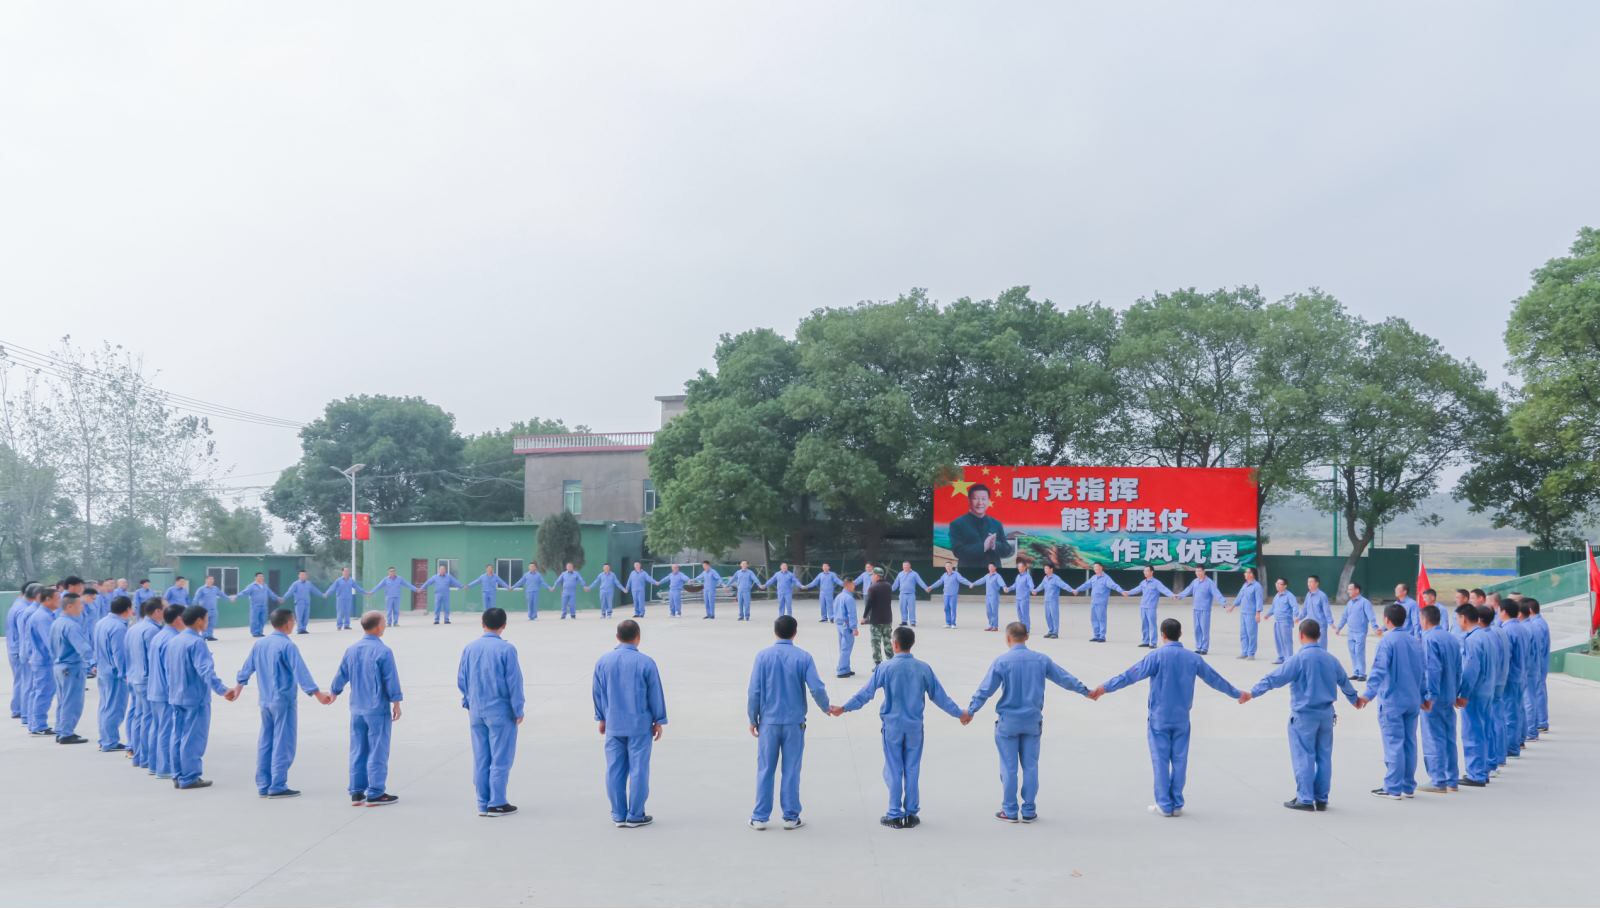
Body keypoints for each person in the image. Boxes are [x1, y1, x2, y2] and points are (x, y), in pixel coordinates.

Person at [1091, 618, 1248, 817]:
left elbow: (1129, 676)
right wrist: (1237, 694)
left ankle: (1164, 804)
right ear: (1180, 634)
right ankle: (1177, 802)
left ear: (1162, 634)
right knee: (1180, 759)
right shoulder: (1193, 658)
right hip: (1182, 717)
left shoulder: (1156, 656)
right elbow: (1215, 679)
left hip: (1159, 718)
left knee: (1161, 760)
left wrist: (1103, 688)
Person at [830, 626, 968, 827]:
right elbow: (940, 697)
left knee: (894, 768)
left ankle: (894, 813)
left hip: (893, 727)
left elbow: (865, 694)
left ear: (894, 644)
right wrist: (960, 714)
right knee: (912, 768)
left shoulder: (885, 668)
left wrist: (844, 708)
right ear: (911, 644)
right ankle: (911, 813)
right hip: (914, 727)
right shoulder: (923, 668)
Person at [967, 622, 1093, 823]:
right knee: (1031, 766)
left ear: (1008, 638)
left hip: (1008, 723)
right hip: (1032, 721)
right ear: (1026, 637)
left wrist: (970, 711)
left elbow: (985, 690)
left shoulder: (1001, 662)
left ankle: (1009, 810)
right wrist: (1086, 691)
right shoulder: (1041, 660)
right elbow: (1064, 678)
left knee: (1009, 768)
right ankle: (1029, 810)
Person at [1247, 619, 1362, 811]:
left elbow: (1274, 678)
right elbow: (1344, 682)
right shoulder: (1330, 659)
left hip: (1304, 716)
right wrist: (1355, 700)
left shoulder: (1298, 659)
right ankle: (1321, 798)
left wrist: (1252, 693)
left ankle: (1305, 799)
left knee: (1304, 756)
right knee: (1324, 757)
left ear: (1300, 635)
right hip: (1326, 715)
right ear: (1319, 635)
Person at [233, 608, 331, 798]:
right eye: (293, 620)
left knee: (266, 741)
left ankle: (263, 784)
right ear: (288, 623)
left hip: (265, 701)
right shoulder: (287, 646)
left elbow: (247, 668)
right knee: (283, 742)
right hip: (283, 700)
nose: (294, 623)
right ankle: (277, 785)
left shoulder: (260, 644)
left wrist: (238, 688)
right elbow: (301, 671)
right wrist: (317, 694)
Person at [746, 614, 831, 830]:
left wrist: (752, 718)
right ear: (795, 633)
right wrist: (825, 707)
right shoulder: (804, 657)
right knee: (791, 769)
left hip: (769, 722)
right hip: (794, 723)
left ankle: (760, 817)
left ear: (775, 632)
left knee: (765, 769)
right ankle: (791, 817)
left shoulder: (762, 657)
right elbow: (817, 688)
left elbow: (754, 691)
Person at [593, 619, 668, 828]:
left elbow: (598, 693)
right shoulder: (646, 662)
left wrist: (601, 717)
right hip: (639, 725)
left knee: (614, 770)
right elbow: (655, 693)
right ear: (638, 637)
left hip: (614, 724)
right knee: (639, 770)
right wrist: (658, 720)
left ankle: (618, 814)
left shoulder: (603, 662)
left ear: (617, 637)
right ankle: (635, 814)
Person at [1356, 603, 1432, 799]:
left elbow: (1379, 670)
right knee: (1409, 742)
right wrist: (1424, 696)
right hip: (1412, 700)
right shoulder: (1415, 641)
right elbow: (1422, 671)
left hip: (1392, 700)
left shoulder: (1387, 641)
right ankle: (1408, 785)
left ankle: (1393, 787)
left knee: (1394, 743)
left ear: (1387, 620)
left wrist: (1367, 695)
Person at [330, 611, 405, 807]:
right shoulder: (383, 651)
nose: (385, 625)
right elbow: (391, 679)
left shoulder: (352, 650)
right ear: (378, 627)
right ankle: (375, 792)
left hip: (357, 709)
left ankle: (356, 792)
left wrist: (334, 692)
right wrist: (396, 702)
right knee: (377, 750)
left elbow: (341, 674)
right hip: (377, 709)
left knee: (358, 749)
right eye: (384, 622)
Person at [457, 608, 524, 817]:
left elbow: (462, 679)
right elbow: (514, 683)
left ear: (482, 623)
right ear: (504, 625)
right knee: (500, 758)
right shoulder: (507, 650)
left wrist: (468, 701)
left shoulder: (470, 648)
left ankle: (482, 802)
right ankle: (497, 802)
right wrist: (518, 709)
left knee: (481, 757)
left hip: (476, 710)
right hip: (500, 711)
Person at [165, 605, 238, 789]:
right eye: (206, 619)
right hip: (194, 697)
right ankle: (189, 777)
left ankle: (178, 774)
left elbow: (169, 670)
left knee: (177, 736)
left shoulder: (174, 641)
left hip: (176, 695)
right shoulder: (197, 643)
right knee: (193, 738)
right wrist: (222, 690)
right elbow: (205, 670)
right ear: (198, 620)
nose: (208, 622)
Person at [1418, 604, 1461, 793]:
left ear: (1424, 619)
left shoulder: (1429, 639)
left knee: (1433, 737)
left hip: (1435, 697)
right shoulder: (1451, 638)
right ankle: (1452, 779)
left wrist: (1430, 696)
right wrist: (1456, 692)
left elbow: (1432, 669)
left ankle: (1438, 779)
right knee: (1449, 737)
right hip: (1449, 694)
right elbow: (1459, 669)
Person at [124, 599, 164, 769]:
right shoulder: (152, 631)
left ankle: (138, 755)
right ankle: (147, 758)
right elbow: (153, 659)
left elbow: (126, 654)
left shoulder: (133, 628)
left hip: (134, 677)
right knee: (149, 719)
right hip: (146, 680)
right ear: (157, 611)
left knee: (139, 717)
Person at [1456, 603, 1492, 787]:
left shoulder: (1472, 640)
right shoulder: (1486, 636)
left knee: (1472, 733)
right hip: (1487, 690)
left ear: (1463, 618)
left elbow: (1471, 670)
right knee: (1483, 731)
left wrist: (1464, 693)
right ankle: (1482, 770)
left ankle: (1476, 774)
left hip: (1476, 692)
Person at [49, 593, 93, 744]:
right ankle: (66, 733)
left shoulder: (57, 622)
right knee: (72, 702)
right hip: (71, 667)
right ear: (69, 606)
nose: (82, 608)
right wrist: (92, 663)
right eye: (79, 605)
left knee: (63, 701)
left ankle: (61, 730)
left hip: (60, 665)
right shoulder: (71, 626)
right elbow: (83, 648)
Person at [93, 596, 133, 751]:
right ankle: (109, 741)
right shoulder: (118, 627)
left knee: (105, 706)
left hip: (103, 669)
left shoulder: (101, 623)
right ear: (128, 609)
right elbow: (119, 653)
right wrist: (125, 673)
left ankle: (105, 738)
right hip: (114, 674)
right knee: (114, 708)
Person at [23, 587, 62, 736]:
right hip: (44, 661)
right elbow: (50, 642)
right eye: (57, 598)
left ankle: (34, 723)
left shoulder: (46, 615)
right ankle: (39, 725)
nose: (59, 601)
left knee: (38, 691)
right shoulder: (42, 618)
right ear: (47, 599)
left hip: (41, 660)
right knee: (43, 692)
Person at [949, 483, 1012, 573]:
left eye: (983, 499)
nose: (980, 502)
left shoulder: (996, 523)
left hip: (994, 573)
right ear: (969, 500)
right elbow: (958, 551)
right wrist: (984, 546)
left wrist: (994, 545)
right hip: (968, 573)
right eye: (975, 498)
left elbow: (1007, 549)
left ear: (988, 501)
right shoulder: (957, 523)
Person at [1496, 598, 1528, 763]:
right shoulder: (1522, 628)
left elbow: (1505, 656)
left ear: (1504, 611)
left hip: (1510, 676)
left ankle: (1511, 746)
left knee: (1509, 713)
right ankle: (1517, 741)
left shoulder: (1507, 630)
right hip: (1520, 673)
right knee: (1517, 709)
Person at [7, 584, 40, 722]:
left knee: (21, 680)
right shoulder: (23, 609)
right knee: (25, 682)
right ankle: (22, 710)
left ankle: (19, 709)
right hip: (20, 650)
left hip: (15, 648)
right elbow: (24, 635)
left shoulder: (18, 605)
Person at [1173, 567, 1221, 655]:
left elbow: (1216, 593)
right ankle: (1198, 647)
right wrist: (1179, 596)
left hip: (1205, 609)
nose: (1197, 573)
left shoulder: (1209, 583)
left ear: (1204, 571)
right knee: (1197, 629)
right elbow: (1188, 590)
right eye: (1196, 571)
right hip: (1196, 609)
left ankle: (1204, 648)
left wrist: (1223, 602)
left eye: (1199, 571)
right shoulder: (1195, 581)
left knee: (1204, 629)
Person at [1075, 562, 1127, 643]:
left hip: (1101, 602)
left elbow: (1114, 585)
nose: (1095, 569)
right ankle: (1096, 635)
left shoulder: (1106, 578)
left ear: (1101, 567)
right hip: (1093, 602)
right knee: (1094, 619)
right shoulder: (1093, 577)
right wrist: (1077, 589)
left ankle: (1102, 636)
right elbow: (1086, 585)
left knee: (1101, 619)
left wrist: (1121, 591)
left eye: (1097, 567)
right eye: (1094, 567)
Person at [1334, 582, 1376, 680]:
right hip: (1350, 632)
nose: (1348, 591)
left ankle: (1362, 674)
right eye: (1348, 589)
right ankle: (1356, 672)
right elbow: (1344, 616)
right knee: (1352, 652)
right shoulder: (1349, 603)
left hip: (1360, 632)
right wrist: (1339, 627)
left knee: (1359, 652)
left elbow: (1371, 616)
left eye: (1350, 589)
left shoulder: (1365, 602)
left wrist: (1375, 627)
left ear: (1357, 590)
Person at [1125, 567, 1174, 648]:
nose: (1145, 572)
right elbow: (1136, 589)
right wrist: (1128, 592)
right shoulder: (1143, 582)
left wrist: (1171, 595)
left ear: (1152, 572)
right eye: (1144, 571)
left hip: (1151, 607)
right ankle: (1145, 641)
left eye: (1147, 571)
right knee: (1144, 625)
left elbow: (1164, 589)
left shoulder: (1156, 583)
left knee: (1152, 625)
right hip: (1143, 606)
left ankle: (1153, 643)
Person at [1524, 598, 1550, 735]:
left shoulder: (1536, 625)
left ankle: (1540, 722)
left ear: (1529, 610)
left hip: (1536, 665)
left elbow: (1537, 648)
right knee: (1536, 693)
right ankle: (1539, 722)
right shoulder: (1537, 623)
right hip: (1538, 664)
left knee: (1535, 694)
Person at [1225, 568, 1263, 660]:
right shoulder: (1245, 585)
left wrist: (1258, 613)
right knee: (1243, 633)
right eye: (1245, 572)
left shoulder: (1257, 586)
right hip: (1243, 613)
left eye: (1247, 572)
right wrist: (1232, 607)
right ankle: (1244, 652)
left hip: (1251, 613)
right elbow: (1239, 597)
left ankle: (1251, 654)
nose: (1245, 574)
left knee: (1251, 634)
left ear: (1252, 574)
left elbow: (1259, 600)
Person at [863, 570, 895, 667]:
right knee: (887, 640)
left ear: (877, 576)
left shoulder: (873, 587)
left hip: (876, 619)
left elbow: (869, 603)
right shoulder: (888, 586)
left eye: (873, 575)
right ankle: (891, 661)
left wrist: (864, 616)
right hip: (887, 618)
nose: (872, 577)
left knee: (875, 642)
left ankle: (878, 664)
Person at [237, 573, 282, 637]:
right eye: (259, 576)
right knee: (254, 620)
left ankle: (260, 632)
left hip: (264, 606)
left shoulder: (265, 586)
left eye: (262, 576)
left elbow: (270, 593)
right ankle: (255, 633)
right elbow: (244, 592)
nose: (261, 578)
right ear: (255, 578)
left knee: (262, 620)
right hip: (255, 606)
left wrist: (277, 598)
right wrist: (236, 596)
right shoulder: (252, 586)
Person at [1266, 578, 1299, 664]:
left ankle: (1289, 659)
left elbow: (1295, 606)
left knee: (1286, 641)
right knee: (1279, 640)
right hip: (1277, 622)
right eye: (1276, 583)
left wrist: (1296, 616)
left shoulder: (1289, 596)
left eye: (1279, 584)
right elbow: (1273, 607)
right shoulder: (1276, 596)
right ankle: (1281, 657)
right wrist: (1268, 614)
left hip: (1285, 622)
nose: (1277, 585)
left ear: (1285, 586)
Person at [930, 562, 972, 629]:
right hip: (946, 595)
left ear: (952, 567)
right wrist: (931, 587)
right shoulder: (944, 575)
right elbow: (939, 582)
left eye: (949, 566)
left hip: (953, 595)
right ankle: (948, 623)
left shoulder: (956, 574)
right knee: (946, 608)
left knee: (953, 609)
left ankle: (953, 624)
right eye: (947, 566)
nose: (948, 567)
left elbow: (962, 580)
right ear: (945, 567)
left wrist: (969, 583)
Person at [832, 579, 860, 678]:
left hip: (839, 624)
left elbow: (834, 610)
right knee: (846, 648)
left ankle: (846, 668)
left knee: (843, 648)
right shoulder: (849, 598)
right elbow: (852, 614)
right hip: (846, 626)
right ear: (848, 585)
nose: (854, 586)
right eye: (853, 584)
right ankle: (841, 670)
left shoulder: (839, 596)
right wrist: (854, 628)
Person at [1037, 564, 1072, 640]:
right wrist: (1035, 590)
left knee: (1054, 616)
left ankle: (1055, 633)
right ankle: (1050, 631)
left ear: (1051, 569)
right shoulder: (1045, 578)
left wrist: (1071, 590)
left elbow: (1063, 585)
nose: (1045, 570)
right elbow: (1041, 586)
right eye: (1044, 568)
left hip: (1053, 601)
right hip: (1046, 600)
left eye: (1047, 568)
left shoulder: (1056, 578)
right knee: (1048, 616)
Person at [190, 576, 230, 641]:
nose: (211, 580)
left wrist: (229, 598)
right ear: (206, 580)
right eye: (209, 579)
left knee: (212, 623)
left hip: (214, 610)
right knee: (204, 623)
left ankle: (210, 636)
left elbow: (222, 594)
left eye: (212, 579)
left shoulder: (215, 588)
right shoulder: (201, 589)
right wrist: (194, 607)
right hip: (204, 610)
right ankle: (203, 636)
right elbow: (196, 598)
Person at [1298, 576, 1333, 650]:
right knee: (1310, 645)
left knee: (1321, 647)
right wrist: (1299, 618)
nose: (1308, 584)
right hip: (1310, 626)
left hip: (1320, 626)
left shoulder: (1322, 596)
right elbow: (1305, 609)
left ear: (1317, 583)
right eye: (1308, 582)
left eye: (1311, 582)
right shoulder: (1308, 595)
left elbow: (1327, 611)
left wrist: (1331, 622)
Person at [890, 562, 930, 627]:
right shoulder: (900, 574)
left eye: (906, 566)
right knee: (902, 608)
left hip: (911, 594)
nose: (905, 567)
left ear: (909, 566)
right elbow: (896, 583)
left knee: (912, 608)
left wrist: (925, 588)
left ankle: (912, 622)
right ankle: (904, 621)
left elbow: (920, 581)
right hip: (902, 594)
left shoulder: (914, 574)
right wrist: (889, 590)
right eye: (904, 566)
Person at [1005, 560, 1037, 632]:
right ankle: (1022, 628)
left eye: (1020, 567)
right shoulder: (1018, 576)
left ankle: (1027, 629)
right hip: (1018, 599)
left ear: (1025, 567)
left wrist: (1032, 590)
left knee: (1025, 614)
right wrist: (1008, 589)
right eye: (1018, 567)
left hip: (1024, 599)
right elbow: (1015, 585)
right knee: (1019, 614)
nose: (1019, 568)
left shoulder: (1027, 576)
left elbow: (1031, 585)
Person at [977, 564, 1006, 632]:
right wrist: (973, 584)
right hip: (988, 596)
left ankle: (995, 626)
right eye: (989, 567)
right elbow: (981, 580)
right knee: (988, 612)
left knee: (994, 611)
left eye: (992, 567)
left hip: (994, 596)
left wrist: (1004, 587)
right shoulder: (987, 576)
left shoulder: (997, 576)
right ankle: (990, 625)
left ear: (995, 568)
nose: (990, 568)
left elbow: (1001, 582)